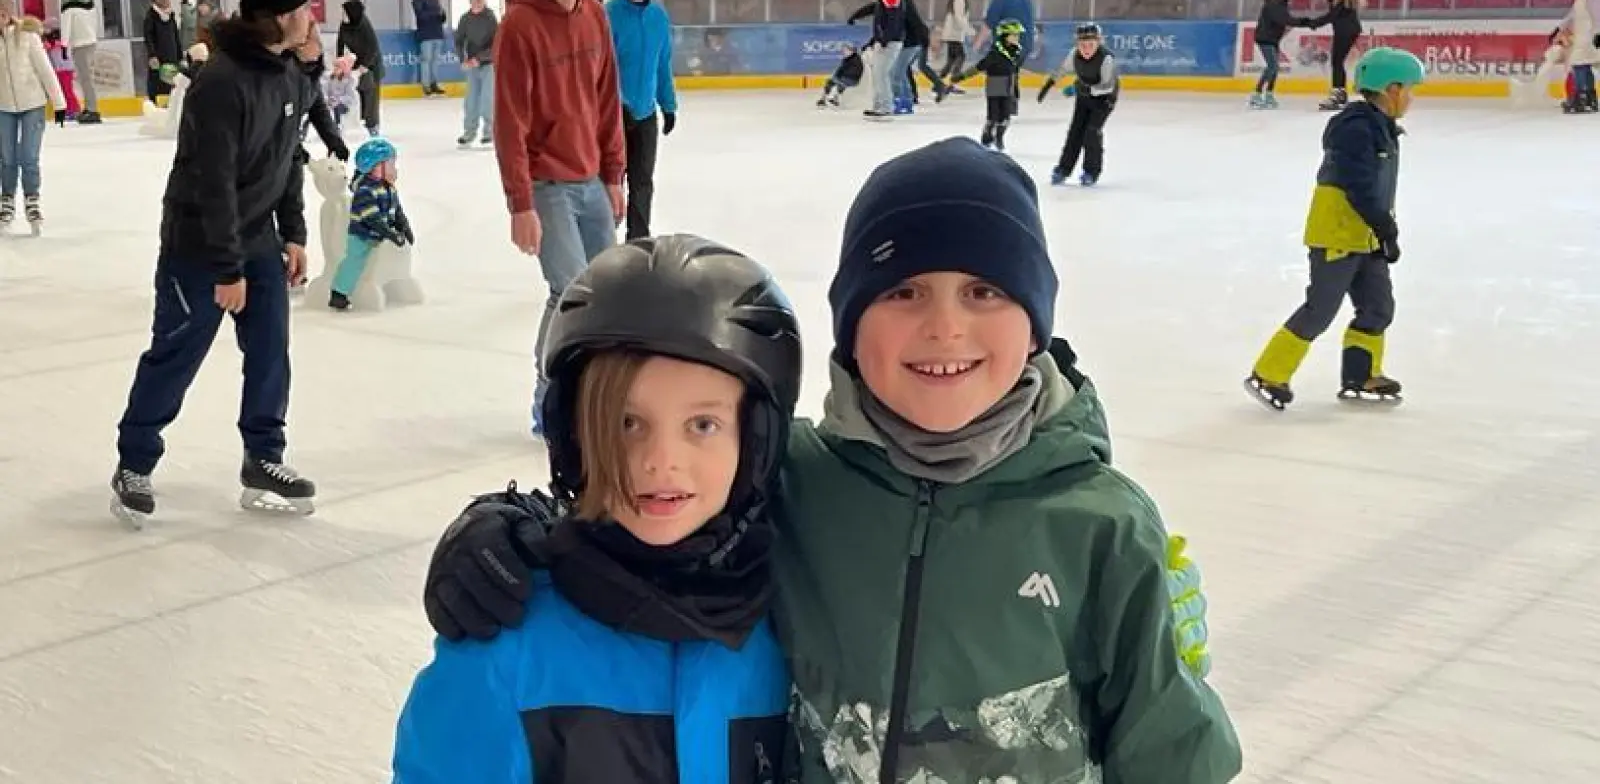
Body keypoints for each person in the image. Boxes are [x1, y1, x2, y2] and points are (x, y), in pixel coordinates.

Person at [419, 137, 1244, 784]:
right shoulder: (800, 481)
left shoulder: (1101, 525)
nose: (946, 328)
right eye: (904, 291)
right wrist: (505, 529)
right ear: (851, 323)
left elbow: (1171, 755)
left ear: (1036, 318)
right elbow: (667, 497)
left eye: (985, 292)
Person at [392, 233, 802, 782]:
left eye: (702, 425)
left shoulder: (800, 628)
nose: (661, 460)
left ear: (755, 441)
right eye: (626, 423)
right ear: (574, 435)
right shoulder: (507, 650)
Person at [108, 0, 326, 530]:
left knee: (270, 351)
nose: (312, 18)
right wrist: (229, 270)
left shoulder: (285, 74)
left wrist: (294, 234)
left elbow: (288, 162)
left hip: (255, 239)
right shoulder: (221, 83)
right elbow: (213, 185)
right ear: (278, 16)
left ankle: (264, 459)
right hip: (199, 248)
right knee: (176, 356)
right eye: (304, 8)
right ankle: (134, 462)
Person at [493, 0, 626, 435]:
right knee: (569, 292)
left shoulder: (595, 15)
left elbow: (606, 101)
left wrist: (614, 174)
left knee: (608, 294)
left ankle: (592, 398)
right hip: (546, 184)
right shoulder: (520, 26)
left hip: (591, 180)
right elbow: (509, 120)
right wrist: (519, 203)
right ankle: (549, 404)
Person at [1245, 47, 1424, 411]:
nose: (1411, 98)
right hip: (1338, 233)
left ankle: (1361, 374)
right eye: (1408, 89)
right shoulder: (1357, 129)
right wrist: (1387, 230)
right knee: (1320, 309)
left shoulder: (1382, 128)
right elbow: (1358, 186)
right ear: (1390, 89)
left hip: (1366, 234)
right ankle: (1269, 373)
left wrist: (1381, 231)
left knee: (1377, 308)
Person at [605, 0, 678, 240]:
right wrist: (607, 105)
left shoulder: (658, 17)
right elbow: (599, 68)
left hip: (646, 113)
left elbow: (662, 64)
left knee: (642, 181)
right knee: (610, 179)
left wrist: (668, 104)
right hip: (614, 113)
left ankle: (638, 240)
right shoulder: (608, 15)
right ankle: (602, 236)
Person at [0, 0, 67, 236]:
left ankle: (32, 201)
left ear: (9, 14)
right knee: (7, 157)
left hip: (32, 104)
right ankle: (6, 199)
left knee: (28, 156)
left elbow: (46, 71)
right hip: (3, 107)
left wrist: (59, 104)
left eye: (2, 14)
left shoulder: (28, 38)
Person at [331, 137, 412, 311]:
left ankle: (393, 281)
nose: (394, 169)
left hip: (381, 233)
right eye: (389, 165)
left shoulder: (389, 188)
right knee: (356, 259)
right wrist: (390, 233)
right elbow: (372, 218)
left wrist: (403, 226)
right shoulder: (365, 191)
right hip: (362, 235)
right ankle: (340, 292)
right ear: (374, 168)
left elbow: (397, 211)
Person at [1040, 22, 1121, 187]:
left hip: (1104, 100)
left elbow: (1108, 86)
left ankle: (1091, 171)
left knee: (1091, 133)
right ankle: (1063, 169)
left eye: (1091, 45)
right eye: (1083, 45)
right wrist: (1049, 84)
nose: (1086, 49)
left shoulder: (1106, 59)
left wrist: (1083, 88)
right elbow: (1061, 70)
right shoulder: (1074, 55)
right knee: (1075, 132)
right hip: (1084, 96)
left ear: (1099, 43)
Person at [943, 18, 1024, 151]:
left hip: (1008, 87)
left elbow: (1015, 72)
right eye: (1014, 35)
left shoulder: (1016, 53)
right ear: (1004, 36)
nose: (1017, 38)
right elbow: (978, 68)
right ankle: (986, 139)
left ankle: (999, 138)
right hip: (994, 87)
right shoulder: (995, 54)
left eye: (1018, 35)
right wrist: (961, 76)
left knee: (1005, 118)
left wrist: (1015, 91)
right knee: (993, 116)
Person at [1308, 0, 1364, 111]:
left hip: (1345, 29)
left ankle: (1338, 94)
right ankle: (1340, 94)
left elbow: (1333, 15)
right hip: (1348, 29)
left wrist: (1314, 23)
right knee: (1337, 62)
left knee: (1337, 62)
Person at [1250, 0, 1310, 109]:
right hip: (1265, 38)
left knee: (1274, 68)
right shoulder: (1276, 0)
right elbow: (1283, 19)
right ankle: (1257, 93)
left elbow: (1283, 20)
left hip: (1271, 38)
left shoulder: (1281, 0)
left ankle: (1269, 94)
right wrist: (1303, 22)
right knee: (1273, 66)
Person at [856, 0, 906, 119]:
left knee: (881, 74)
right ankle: (879, 106)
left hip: (890, 42)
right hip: (886, 41)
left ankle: (885, 108)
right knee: (878, 74)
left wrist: (884, 39)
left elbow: (893, 20)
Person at [454, 0, 498, 146]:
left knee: (487, 100)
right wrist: (463, 59)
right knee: (471, 101)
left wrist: (480, 59)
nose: (478, 2)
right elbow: (459, 41)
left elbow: (496, 44)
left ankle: (489, 132)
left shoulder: (490, 17)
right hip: (472, 65)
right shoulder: (465, 19)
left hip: (488, 65)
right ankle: (469, 132)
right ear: (470, 1)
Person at [58, 0, 102, 124]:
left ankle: (92, 109)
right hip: (91, 42)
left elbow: (66, 27)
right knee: (88, 78)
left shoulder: (67, 4)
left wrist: (63, 46)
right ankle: (91, 107)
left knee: (85, 78)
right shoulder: (88, 1)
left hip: (79, 44)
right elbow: (95, 22)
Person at [337, 0, 383, 135]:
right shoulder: (345, 25)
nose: (342, 15)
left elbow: (373, 48)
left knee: (371, 95)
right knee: (358, 91)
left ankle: (373, 125)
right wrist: (339, 62)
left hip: (372, 64)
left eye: (345, 12)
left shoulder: (364, 25)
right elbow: (340, 43)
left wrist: (364, 66)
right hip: (357, 61)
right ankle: (345, 121)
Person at [1560, 0, 1600, 113]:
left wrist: (1598, 34)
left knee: (1579, 64)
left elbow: (1598, 16)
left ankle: (1581, 97)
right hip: (1583, 36)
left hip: (1590, 36)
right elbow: (1574, 14)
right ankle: (1589, 97)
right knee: (1583, 65)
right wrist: (1560, 28)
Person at [143, 0, 183, 104]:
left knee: (172, 79)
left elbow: (176, 36)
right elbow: (148, 37)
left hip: (172, 54)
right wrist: (152, 55)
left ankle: (171, 102)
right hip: (158, 56)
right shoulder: (151, 17)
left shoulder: (170, 16)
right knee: (157, 80)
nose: (165, 1)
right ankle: (155, 102)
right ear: (155, 1)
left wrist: (180, 56)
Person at [412, 0, 448, 97]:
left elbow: (441, 16)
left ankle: (434, 83)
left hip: (437, 33)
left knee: (435, 61)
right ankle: (426, 85)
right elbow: (421, 16)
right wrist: (435, 13)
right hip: (425, 34)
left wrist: (442, 15)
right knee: (426, 60)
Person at [938, 0, 974, 84]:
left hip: (954, 34)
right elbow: (959, 18)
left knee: (951, 60)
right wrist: (969, 30)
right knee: (961, 56)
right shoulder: (959, 0)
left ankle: (938, 82)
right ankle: (953, 80)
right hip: (953, 35)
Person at [815, 43, 865, 108]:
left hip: (852, 80)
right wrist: (836, 76)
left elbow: (855, 72)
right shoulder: (847, 59)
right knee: (834, 82)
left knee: (835, 82)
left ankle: (830, 99)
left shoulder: (856, 59)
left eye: (846, 50)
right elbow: (840, 70)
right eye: (843, 51)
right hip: (847, 79)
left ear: (851, 50)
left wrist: (837, 76)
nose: (844, 52)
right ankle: (828, 99)